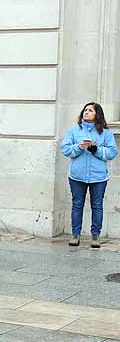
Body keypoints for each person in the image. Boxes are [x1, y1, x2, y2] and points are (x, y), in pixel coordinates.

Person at [60, 102, 117, 248]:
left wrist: (95, 149)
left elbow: (112, 153)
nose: (86, 112)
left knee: (97, 206)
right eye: (85, 110)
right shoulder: (74, 131)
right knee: (77, 205)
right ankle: (75, 235)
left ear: (97, 114)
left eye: (90, 110)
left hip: (98, 177)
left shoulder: (106, 134)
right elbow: (65, 149)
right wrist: (79, 147)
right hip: (77, 176)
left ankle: (95, 236)